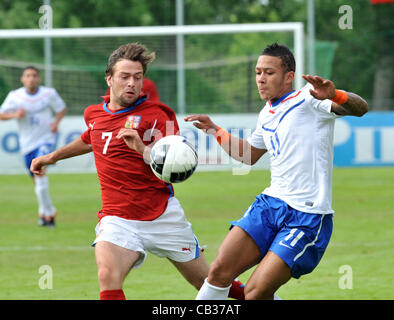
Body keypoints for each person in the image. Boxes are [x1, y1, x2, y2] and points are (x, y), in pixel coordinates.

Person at [30, 43, 244, 300]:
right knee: (107, 275)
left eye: (137, 77)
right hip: (117, 218)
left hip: (162, 216)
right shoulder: (94, 114)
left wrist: (142, 149)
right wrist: (52, 157)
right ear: (109, 79)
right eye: (125, 77)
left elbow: (174, 165)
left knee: (211, 283)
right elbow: (90, 139)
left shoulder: (157, 115)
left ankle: (263, 296)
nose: (131, 83)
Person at [185, 43, 368, 300]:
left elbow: (361, 108)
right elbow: (248, 155)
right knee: (217, 271)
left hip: (307, 216)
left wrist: (335, 95)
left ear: (288, 76)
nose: (261, 78)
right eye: (258, 72)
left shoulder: (308, 99)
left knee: (255, 293)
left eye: (269, 72)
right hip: (270, 205)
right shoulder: (266, 113)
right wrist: (215, 130)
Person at [0, 66, 66, 228]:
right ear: (23, 79)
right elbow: (1, 114)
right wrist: (15, 115)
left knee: (40, 173)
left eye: (34, 75)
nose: (31, 78)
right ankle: (48, 212)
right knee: (37, 181)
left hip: (46, 141)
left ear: (39, 78)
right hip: (27, 145)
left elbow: (61, 108)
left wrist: (56, 123)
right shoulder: (15, 96)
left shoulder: (48, 93)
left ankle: (47, 215)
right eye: (28, 75)